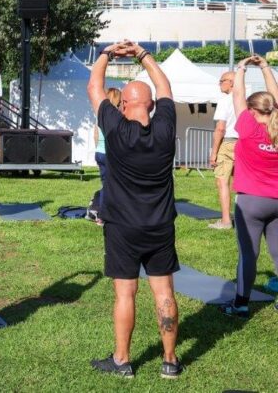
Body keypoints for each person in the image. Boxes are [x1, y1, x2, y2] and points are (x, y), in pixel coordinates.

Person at [87, 40, 183, 379]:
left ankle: (122, 360)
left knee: (125, 292)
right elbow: (165, 86)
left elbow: (95, 87)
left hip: (122, 227)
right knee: (164, 292)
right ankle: (170, 361)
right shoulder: (166, 128)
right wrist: (143, 54)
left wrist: (107, 53)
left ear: (124, 105)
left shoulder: (114, 129)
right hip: (159, 226)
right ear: (153, 106)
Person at [219, 55, 278, 318]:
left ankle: (241, 304)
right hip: (277, 200)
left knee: (248, 255)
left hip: (251, 203)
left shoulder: (248, 128)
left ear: (254, 112)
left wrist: (242, 68)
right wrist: (266, 67)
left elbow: (238, 95)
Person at [209, 70, 238, 230]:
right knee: (242, 183)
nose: (219, 83)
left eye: (221, 81)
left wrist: (214, 153)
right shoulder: (245, 100)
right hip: (244, 143)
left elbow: (220, 129)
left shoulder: (225, 100)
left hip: (228, 143)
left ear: (231, 82)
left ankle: (226, 221)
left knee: (222, 181)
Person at [90, 88, 122, 225]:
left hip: (99, 153)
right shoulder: (116, 117)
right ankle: (103, 214)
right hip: (109, 154)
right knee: (111, 185)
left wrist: (98, 149)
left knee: (105, 184)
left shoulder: (100, 115)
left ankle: (100, 211)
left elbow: (96, 135)